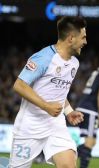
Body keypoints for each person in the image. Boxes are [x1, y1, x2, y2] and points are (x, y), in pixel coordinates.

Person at [9, 16, 87, 168]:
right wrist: (46, 106)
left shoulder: (74, 63)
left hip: (55, 125)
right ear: (71, 38)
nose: (85, 42)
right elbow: (19, 85)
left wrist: (69, 111)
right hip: (30, 127)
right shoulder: (44, 57)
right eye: (83, 37)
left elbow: (58, 93)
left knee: (68, 166)